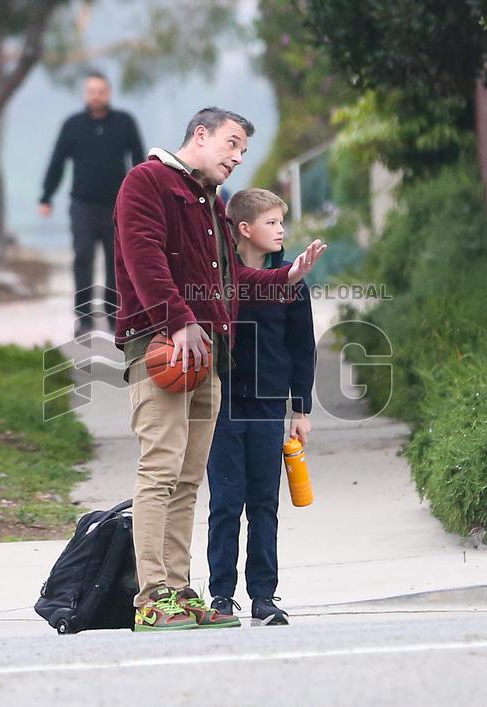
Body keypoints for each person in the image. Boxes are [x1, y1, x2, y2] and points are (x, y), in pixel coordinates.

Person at [113, 107, 326, 631]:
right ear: (201, 135)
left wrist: (284, 279)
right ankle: (152, 597)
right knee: (160, 471)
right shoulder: (147, 182)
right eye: (232, 144)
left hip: (208, 357)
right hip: (162, 347)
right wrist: (179, 320)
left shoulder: (213, 200)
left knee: (188, 479)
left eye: (243, 151)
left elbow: (230, 280)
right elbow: (143, 259)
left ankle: (181, 591)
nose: (237, 157)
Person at [206, 188, 315, 627]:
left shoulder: (291, 282)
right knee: (225, 501)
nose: (281, 230)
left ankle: (264, 596)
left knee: (264, 502)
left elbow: (302, 348)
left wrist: (300, 410)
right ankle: (220, 595)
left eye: (281, 222)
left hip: (268, 405)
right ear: (245, 229)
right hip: (222, 402)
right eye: (271, 222)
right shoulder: (219, 277)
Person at [39, 71, 144, 337]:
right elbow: (57, 161)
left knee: (116, 262)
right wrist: (46, 196)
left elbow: (139, 161)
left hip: (117, 206)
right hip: (82, 206)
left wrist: (145, 198)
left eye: (100, 91)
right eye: (91, 91)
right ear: (86, 94)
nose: (96, 96)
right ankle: (84, 318)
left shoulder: (125, 122)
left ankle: (115, 316)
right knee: (82, 258)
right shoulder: (72, 125)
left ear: (108, 93)